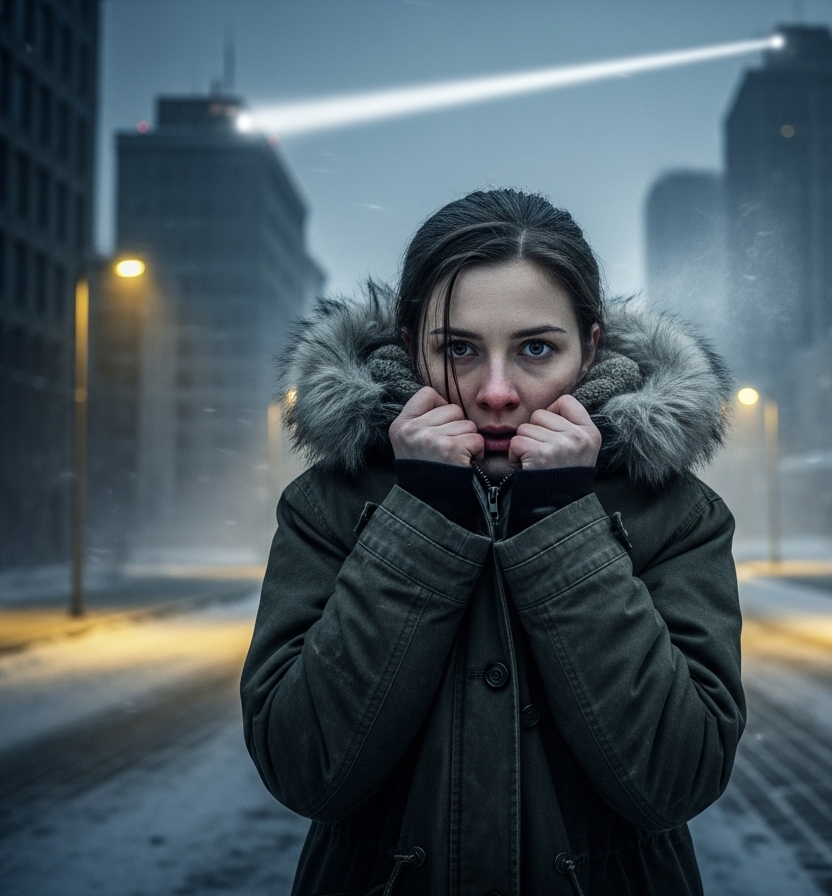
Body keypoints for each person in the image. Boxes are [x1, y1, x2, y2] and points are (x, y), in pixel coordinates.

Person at [241, 188, 745, 896]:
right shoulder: (330, 505)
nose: (498, 391)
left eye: (536, 348)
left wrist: (565, 526)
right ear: (413, 345)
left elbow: (676, 779)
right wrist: (419, 517)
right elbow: (306, 771)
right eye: (459, 350)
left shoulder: (677, 515)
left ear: (590, 348)